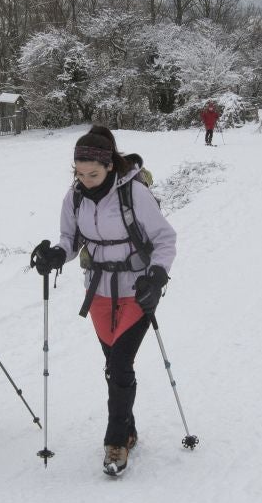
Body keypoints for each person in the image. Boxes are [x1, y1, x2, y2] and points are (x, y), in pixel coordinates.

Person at [30, 125, 176, 476]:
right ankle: (129, 429)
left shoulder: (134, 194)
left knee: (120, 365)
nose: (85, 179)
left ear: (109, 166)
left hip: (136, 289)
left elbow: (165, 239)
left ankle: (115, 441)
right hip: (97, 291)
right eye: (79, 173)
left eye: (92, 173)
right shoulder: (75, 195)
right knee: (114, 364)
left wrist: (157, 275)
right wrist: (55, 255)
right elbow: (70, 238)